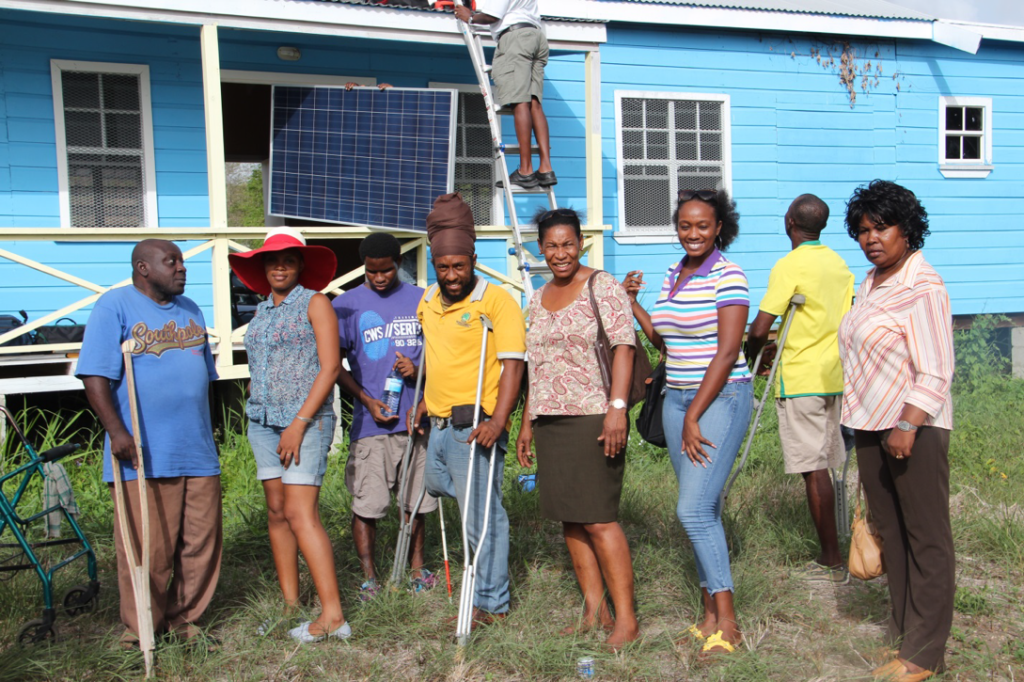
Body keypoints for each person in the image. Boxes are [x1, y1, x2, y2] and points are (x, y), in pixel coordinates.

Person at [623, 188, 753, 656]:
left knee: (693, 511)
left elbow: (728, 351)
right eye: (685, 225)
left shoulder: (729, 275)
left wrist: (696, 412)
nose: (693, 233)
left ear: (719, 228)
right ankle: (708, 617)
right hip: (676, 399)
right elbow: (665, 340)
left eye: (702, 225)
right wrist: (633, 304)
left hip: (720, 398)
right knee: (704, 510)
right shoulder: (674, 273)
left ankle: (730, 624)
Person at [77, 239, 222, 648]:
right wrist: (117, 431)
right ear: (143, 268)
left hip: (196, 449)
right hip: (143, 450)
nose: (181, 268)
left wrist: (209, 432)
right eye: (171, 261)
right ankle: (140, 630)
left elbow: (204, 381)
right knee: (149, 550)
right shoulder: (114, 306)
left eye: (181, 260)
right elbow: (94, 376)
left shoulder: (191, 309)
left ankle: (185, 621)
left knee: (200, 545)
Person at [839, 180, 954, 682]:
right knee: (891, 535)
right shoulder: (870, 282)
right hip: (870, 424)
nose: (872, 238)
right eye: (863, 230)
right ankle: (907, 634)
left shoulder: (922, 286)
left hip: (913, 428)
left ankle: (924, 655)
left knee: (926, 538)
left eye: (881, 227)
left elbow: (935, 369)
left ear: (907, 227)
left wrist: (908, 423)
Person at [515, 207, 639, 650]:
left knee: (600, 519)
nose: (560, 253)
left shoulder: (601, 286)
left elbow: (624, 346)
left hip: (593, 416)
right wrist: (528, 422)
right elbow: (537, 366)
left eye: (568, 244)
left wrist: (617, 408)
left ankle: (625, 618)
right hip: (550, 420)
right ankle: (593, 610)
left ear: (581, 243)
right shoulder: (537, 296)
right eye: (551, 246)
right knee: (570, 518)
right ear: (540, 249)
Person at [228, 227, 347, 643]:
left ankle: (333, 615)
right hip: (262, 420)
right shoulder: (261, 312)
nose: (280, 266)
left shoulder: (315, 303)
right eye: (272, 259)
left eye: (289, 259)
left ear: (300, 265)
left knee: (300, 513)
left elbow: (330, 367)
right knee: (277, 513)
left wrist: (298, 422)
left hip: (305, 422)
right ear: (262, 267)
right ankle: (290, 606)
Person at [412, 192, 526, 629]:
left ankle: (492, 603)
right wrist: (423, 401)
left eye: (460, 266)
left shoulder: (496, 302)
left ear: (474, 258)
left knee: (482, 515)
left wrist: (499, 420)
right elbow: (435, 356)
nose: (453, 275)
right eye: (444, 267)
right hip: (437, 426)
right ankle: (482, 577)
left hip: (474, 426)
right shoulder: (427, 300)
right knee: (445, 492)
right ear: (433, 263)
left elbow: (513, 364)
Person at [746, 194, 854, 580]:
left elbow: (760, 327)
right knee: (828, 462)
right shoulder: (839, 265)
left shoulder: (789, 264)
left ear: (789, 220)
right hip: (835, 376)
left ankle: (831, 556)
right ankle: (840, 543)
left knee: (814, 468)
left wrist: (753, 353)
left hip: (801, 378)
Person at [333, 232, 437, 599]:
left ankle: (417, 570)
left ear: (399, 264)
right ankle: (369, 578)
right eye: (372, 271)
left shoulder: (423, 299)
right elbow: (335, 365)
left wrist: (418, 367)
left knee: (416, 502)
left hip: (415, 419)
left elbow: (441, 353)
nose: (379, 278)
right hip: (370, 423)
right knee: (369, 504)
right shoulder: (346, 305)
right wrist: (365, 398)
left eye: (386, 270)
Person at [454, 0, 555, 189]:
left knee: (520, 102)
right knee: (534, 102)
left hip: (515, 39)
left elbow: (492, 16)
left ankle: (525, 170)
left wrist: (470, 17)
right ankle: (545, 168)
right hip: (536, 37)